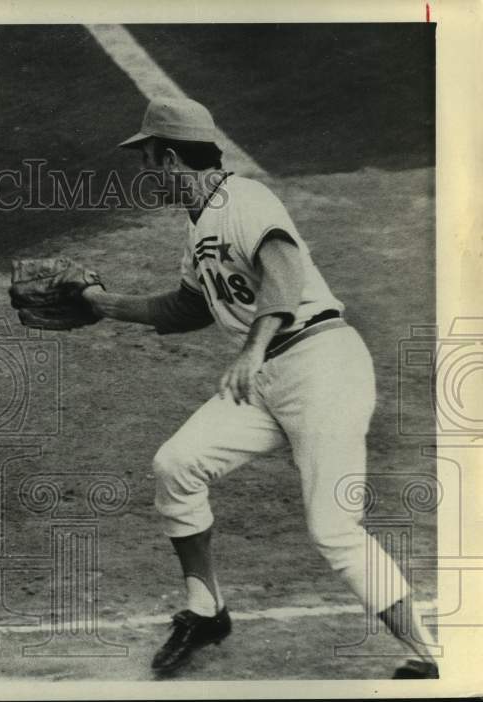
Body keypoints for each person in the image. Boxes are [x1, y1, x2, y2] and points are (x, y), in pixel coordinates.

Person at [80, 97, 438, 678]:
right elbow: (189, 305)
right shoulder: (198, 222)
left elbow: (286, 273)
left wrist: (250, 348)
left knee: (333, 528)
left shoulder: (243, 199)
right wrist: (105, 306)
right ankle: (206, 609)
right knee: (176, 465)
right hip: (267, 380)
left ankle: (430, 657)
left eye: (147, 158)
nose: (145, 171)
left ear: (170, 159)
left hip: (323, 369)